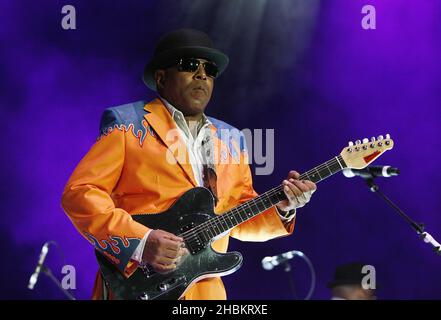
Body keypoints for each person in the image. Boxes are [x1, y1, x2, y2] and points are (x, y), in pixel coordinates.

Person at [61, 28, 317, 300]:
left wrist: (283, 207)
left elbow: (238, 214)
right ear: (161, 78)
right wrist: (142, 242)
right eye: (189, 65)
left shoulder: (231, 138)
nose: (202, 74)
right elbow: (80, 193)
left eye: (210, 69)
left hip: (207, 293)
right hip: (139, 285)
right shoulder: (128, 124)